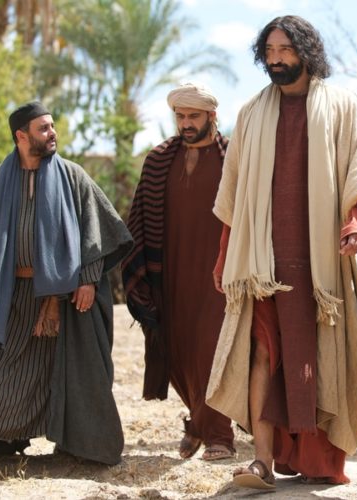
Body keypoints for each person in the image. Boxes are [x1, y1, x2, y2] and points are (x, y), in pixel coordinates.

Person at [207, 15, 357, 490]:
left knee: (321, 357)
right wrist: (225, 256)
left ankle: (318, 459)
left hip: (321, 262)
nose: (276, 59)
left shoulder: (343, 105)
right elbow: (233, 194)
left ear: (306, 51)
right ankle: (262, 460)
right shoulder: (251, 113)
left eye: (284, 50)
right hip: (262, 262)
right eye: (269, 51)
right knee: (262, 353)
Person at [0, 102, 133, 471]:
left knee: (70, 374)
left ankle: (80, 447)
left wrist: (89, 278)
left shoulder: (73, 177)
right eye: (43, 128)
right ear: (21, 136)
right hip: (8, 296)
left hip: (65, 299)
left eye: (52, 126)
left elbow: (96, 230)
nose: (52, 133)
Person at [123, 83, 235, 461]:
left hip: (219, 273)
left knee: (211, 350)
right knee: (178, 352)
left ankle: (218, 435)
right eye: (181, 116)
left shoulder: (232, 157)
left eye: (194, 116)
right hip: (169, 271)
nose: (186, 123)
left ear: (212, 116)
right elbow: (140, 216)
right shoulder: (158, 160)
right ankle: (198, 421)